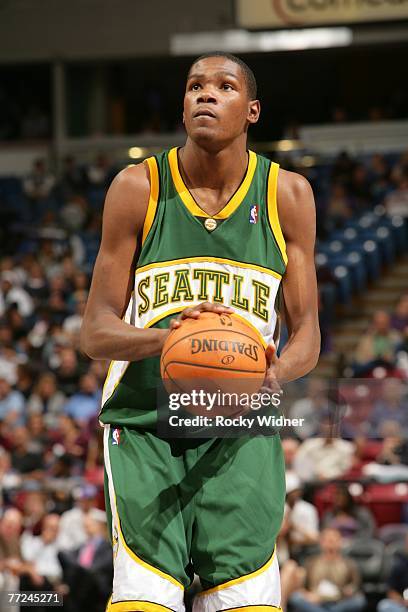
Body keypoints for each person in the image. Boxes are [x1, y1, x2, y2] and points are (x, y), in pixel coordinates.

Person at [81, 52, 320, 610]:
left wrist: (274, 371)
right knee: (144, 600)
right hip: (145, 425)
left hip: (241, 430)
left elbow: (307, 332)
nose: (205, 95)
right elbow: (94, 332)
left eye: (224, 86)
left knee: (245, 602)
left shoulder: (288, 196)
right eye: (194, 86)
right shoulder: (137, 187)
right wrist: (167, 340)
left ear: (252, 110)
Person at [290, 528, 365, 612]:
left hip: (339, 601)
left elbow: (355, 585)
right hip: (315, 601)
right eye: (328, 540)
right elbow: (301, 587)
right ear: (321, 543)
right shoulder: (311, 562)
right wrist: (308, 595)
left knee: (358, 600)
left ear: (340, 542)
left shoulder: (349, 564)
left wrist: (346, 591)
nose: (331, 544)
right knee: (296, 598)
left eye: (334, 540)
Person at [377, 533, 408, 612]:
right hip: (403, 605)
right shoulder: (399, 564)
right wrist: (401, 600)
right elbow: (390, 590)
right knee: (384, 605)